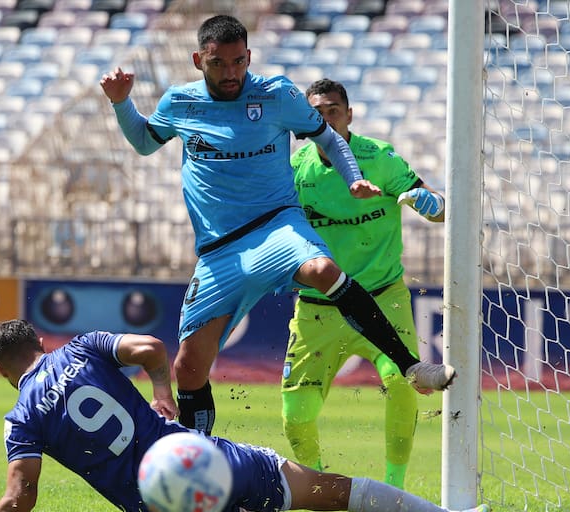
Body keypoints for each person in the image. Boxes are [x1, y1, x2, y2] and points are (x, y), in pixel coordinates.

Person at [99, 14, 456, 435]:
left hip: (276, 226)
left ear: (249, 57)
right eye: (218, 64)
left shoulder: (277, 94)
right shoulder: (180, 103)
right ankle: (199, 463)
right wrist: (122, 102)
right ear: (199, 60)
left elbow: (326, 136)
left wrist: (352, 175)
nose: (230, 73)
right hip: (219, 251)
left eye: (238, 62)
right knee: (188, 367)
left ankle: (412, 367)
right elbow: (144, 143)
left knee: (323, 270)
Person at [0, 319, 491, 512]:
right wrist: (162, 392)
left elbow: (20, 497)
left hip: (157, 503)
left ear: (3, 369)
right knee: (327, 488)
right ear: (40, 342)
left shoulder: (22, 416)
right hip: (191, 451)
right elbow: (149, 348)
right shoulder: (79, 348)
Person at [281, 79, 448, 488]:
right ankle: (320, 488)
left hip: (383, 296)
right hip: (318, 307)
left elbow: (439, 209)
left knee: (404, 382)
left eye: (333, 110)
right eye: (317, 113)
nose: (326, 118)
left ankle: (394, 485)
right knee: (295, 415)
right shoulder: (294, 172)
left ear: (349, 114)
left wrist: (433, 204)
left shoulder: (380, 159)